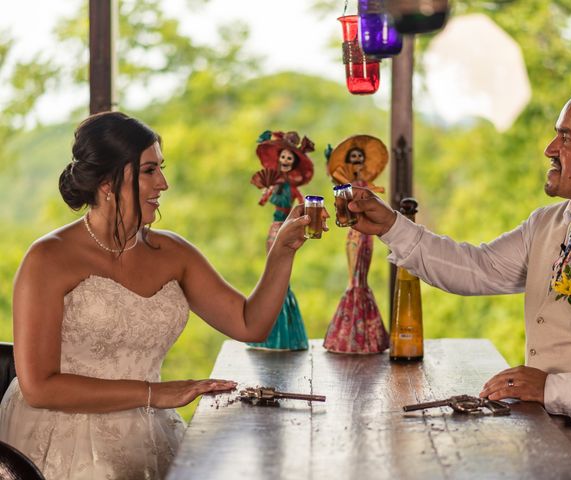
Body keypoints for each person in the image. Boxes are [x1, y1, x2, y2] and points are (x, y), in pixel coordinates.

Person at [0, 111, 316, 480]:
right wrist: (156, 393)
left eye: (160, 169)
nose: (163, 183)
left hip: (149, 430)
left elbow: (250, 324)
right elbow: (38, 387)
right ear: (107, 180)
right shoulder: (48, 258)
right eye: (149, 171)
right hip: (61, 441)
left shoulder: (174, 252)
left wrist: (281, 254)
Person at [347, 86, 571, 478]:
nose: (550, 148)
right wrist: (392, 227)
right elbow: (477, 267)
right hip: (544, 453)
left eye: (566, 137)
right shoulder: (547, 223)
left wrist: (551, 389)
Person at [248, 130, 317, 350]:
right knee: (274, 273)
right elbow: (265, 200)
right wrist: (268, 189)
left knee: (283, 275)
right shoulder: (277, 182)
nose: (286, 161)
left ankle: (283, 330)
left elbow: (299, 199)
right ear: (278, 159)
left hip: (287, 227)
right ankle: (274, 331)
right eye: (284, 157)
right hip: (277, 226)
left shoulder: (290, 185)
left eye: (289, 158)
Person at [323, 135, 389, 353]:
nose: (357, 161)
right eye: (353, 157)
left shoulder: (365, 185)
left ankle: (363, 332)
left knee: (362, 275)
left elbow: (377, 195)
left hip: (367, 234)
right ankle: (351, 331)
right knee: (355, 277)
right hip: (353, 233)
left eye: (360, 157)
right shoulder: (345, 183)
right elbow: (337, 185)